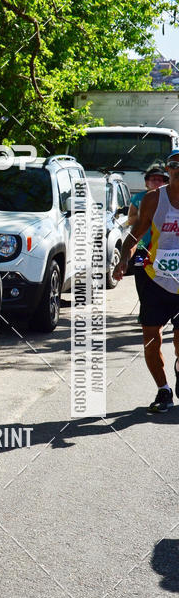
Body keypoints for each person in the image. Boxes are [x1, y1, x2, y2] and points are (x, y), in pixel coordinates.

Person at [114, 152, 179, 413]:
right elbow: (137, 232)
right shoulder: (154, 199)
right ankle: (163, 390)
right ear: (167, 170)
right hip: (153, 277)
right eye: (173, 165)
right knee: (151, 337)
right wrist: (122, 260)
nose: (178, 169)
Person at [127, 163, 168, 276]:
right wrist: (144, 212)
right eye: (153, 179)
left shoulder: (171, 198)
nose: (157, 182)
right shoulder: (138, 198)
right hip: (142, 245)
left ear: (165, 183)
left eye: (160, 180)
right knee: (141, 273)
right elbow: (130, 220)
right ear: (146, 182)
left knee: (162, 275)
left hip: (162, 247)